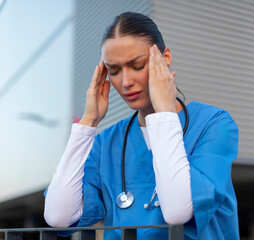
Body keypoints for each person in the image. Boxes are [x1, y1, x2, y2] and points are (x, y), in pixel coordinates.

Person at [44, 12, 239, 239]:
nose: (126, 82)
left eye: (137, 66)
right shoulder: (106, 143)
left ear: (166, 57)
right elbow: (58, 216)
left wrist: (164, 112)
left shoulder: (213, 125)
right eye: (114, 71)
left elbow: (178, 210)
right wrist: (87, 124)